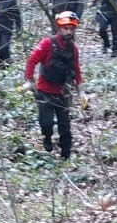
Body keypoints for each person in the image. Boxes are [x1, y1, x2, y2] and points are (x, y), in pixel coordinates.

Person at [24, 10, 85, 160]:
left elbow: (76, 70)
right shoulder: (47, 43)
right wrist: (29, 80)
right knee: (46, 123)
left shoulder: (73, 49)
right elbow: (32, 60)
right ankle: (47, 140)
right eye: (66, 28)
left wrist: (81, 91)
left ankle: (66, 156)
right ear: (59, 28)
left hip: (63, 92)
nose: (68, 31)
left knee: (65, 127)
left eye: (71, 29)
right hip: (44, 91)